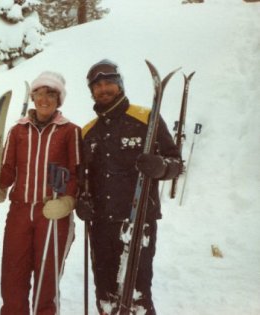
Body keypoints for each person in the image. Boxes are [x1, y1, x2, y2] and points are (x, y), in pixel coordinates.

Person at [76, 59, 182, 315]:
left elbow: (176, 163)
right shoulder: (88, 132)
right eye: (97, 85)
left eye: (108, 83)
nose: (103, 89)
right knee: (106, 294)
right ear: (91, 91)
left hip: (137, 220)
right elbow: (83, 177)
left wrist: (161, 167)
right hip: (101, 224)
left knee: (136, 294)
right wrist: (82, 200)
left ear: (119, 85)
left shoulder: (146, 119)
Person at [0, 71, 82, 315]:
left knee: (47, 275)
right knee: (13, 274)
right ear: (33, 97)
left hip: (52, 211)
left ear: (59, 99)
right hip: (21, 210)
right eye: (40, 94)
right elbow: (6, 172)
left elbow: (77, 172)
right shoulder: (18, 131)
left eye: (51, 94)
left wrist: (67, 200)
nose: (44, 100)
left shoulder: (69, 131)